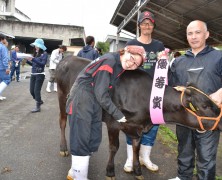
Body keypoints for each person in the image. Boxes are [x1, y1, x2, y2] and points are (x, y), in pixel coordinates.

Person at [66, 45, 147, 180]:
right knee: (81, 140)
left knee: (93, 138)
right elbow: (101, 94)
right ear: (126, 51)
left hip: (94, 101)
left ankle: (74, 171)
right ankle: (80, 176)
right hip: (83, 97)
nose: (131, 64)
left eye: (135, 65)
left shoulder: (120, 65)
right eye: (132, 58)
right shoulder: (109, 61)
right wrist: (119, 116)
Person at [169, 20, 222, 180]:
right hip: (184, 117)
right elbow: (171, 88)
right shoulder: (178, 62)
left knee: (206, 158)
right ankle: (182, 177)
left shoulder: (218, 56)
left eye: (198, 32)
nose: (193, 37)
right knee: (184, 151)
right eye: (190, 33)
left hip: (208, 118)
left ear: (207, 35)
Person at [124, 11, 165, 172]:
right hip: (134, 92)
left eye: (150, 23)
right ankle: (130, 158)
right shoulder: (131, 42)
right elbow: (125, 65)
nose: (147, 26)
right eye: (144, 23)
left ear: (153, 26)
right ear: (139, 25)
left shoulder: (159, 45)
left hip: (155, 91)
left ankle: (145, 157)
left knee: (153, 123)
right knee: (132, 124)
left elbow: (162, 67)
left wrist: (163, 58)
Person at [25, 39, 48, 113]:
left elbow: (42, 64)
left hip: (40, 74)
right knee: (32, 91)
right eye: (35, 45)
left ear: (40, 46)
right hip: (33, 74)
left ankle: (38, 107)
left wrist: (33, 59)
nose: (35, 46)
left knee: (36, 91)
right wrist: (27, 61)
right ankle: (39, 101)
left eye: (37, 45)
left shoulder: (44, 53)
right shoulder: (35, 53)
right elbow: (33, 64)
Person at [0, 34, 10, 100]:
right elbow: (4, 58)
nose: (6, 40)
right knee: (7, 79)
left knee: (0, 81)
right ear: (2, 39)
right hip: (2, 67)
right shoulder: (3, 47)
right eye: (5, 39)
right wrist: (7, 67)